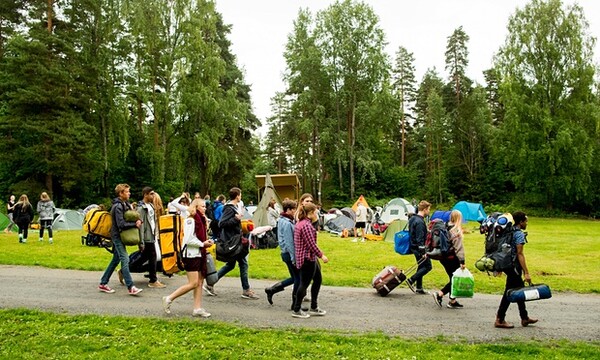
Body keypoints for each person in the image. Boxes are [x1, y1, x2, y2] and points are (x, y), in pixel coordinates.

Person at [204, 187, 259, 299]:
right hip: (232, 241)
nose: (241, 196)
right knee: (243, 263)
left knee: (231, 265)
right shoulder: (229, 208)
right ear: (237, 196)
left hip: (234, 240)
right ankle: (246, 290)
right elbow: (222, 223)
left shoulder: (233, 207)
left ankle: (210, 283)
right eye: (240, 194)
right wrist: (236, 219)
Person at [163, 199, 214, 317]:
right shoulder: (190, 220)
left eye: (205, 206)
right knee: (193, 283)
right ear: (195, 207)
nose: (205, 208)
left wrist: (205, 242)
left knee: (200, 282)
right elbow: (189, 239)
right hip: (191, 254)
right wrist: (203, 244)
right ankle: (169, 298)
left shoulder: (201, 220)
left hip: (198, 253)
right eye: (202, 206)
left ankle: (197, 308)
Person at [495, 211, 538, 329]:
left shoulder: (509, 231)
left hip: (507, 265)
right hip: (514, 266)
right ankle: (500, 319)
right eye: (526, 221)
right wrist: (527, 272)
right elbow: (520, 254)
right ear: (521, 222)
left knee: (519, 289)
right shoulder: (518, 234)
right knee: (509, 292)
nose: (527, 223)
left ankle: (524, 317)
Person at [98, 184, 143, 296]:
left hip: (120, 236)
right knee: (125, 259)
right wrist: (134, 225)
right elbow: (121, 224)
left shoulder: (125, 204)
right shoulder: (117, 207)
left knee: (116, 260)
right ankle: (131, 286)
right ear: (121, 193)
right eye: (127, 192)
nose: (129, 193)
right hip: (117, 236)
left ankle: (103, 283)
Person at [292, 202, 329, 319]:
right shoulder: (306, 226)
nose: (317, 213)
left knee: (318, 280)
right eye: (316, 212)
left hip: (309, 258)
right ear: (311, 213)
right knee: (304, 284)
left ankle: (314, 306)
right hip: (306, 258)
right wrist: (322, 255)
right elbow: (311, 244)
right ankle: (296, 309)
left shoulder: (302, 223)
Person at [264, 200, 301, 308]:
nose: (295, 212)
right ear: (288, 210)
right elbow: (289, 242)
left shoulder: (284, 220)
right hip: (289, 254)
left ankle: (272, 290)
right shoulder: (286, 223)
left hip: (286, 253)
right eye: (294, 210)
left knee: (295, 278)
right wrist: (294, 258)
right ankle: (295, 303)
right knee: (298, 278)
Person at [127, 187, 165, 288]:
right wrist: (141, 242)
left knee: (144, 257)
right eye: (151, 194)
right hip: (146, 237)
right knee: (153, 256)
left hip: (151, 235)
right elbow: (141, 226)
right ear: (145, 195)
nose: (153, 196)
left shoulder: (151, 206)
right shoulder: (141, 208)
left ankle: (124, 270)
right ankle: (153, 280)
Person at [431, 210, 466, 308]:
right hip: (452, 258)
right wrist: (462, 261)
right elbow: (458, 248)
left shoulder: (445, 226)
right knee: (455, 279)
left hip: (443, 257)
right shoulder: (455, 231)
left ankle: (452, 300)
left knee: (452, 277)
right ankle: (440, 294)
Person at [406, 200, 432, 294]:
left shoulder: (413, 218)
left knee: (421, 266)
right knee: (428, 266)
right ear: (424, 209)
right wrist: (423, 252)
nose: (429, 211)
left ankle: (419, 288)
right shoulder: (420, 222)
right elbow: (420, 238)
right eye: (428, 209)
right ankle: (411, 280)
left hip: (413, 246)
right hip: (418, 248)